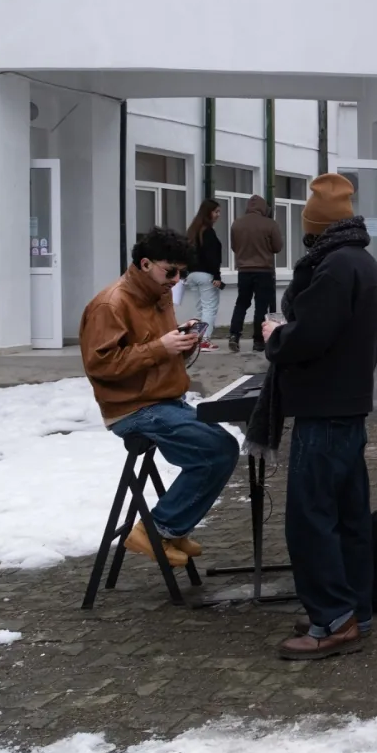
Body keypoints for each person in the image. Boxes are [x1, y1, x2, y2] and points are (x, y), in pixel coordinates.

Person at [259, 174, 377, 660]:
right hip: (347, 406)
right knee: (348, 514)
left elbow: (309, 337)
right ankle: (355, 608)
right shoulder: (363, 263)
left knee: (311, 519)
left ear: (315, 225)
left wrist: (277, 332)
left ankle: (333, 620)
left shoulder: (334, 267)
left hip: (324, 408)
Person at [79, 228, 240, 568]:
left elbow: (157, 346)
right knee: (218, 450)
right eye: (171, 272)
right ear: (145, 263)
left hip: (163, 399)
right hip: (132, 408)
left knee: (220, 447)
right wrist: (160, 348)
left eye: (181, 273)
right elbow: (100, 364)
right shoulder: (111, 304)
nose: (176, 279)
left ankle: (171, 529)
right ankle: (156, 529)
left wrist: (182, 342)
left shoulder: (160, 294)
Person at [228, 194, 283, 353]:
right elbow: (277, 247)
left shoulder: (237, 224)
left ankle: (234, 335)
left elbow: (234, 247)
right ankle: (258, 341)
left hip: (244, 271)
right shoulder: (270, 224)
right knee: (261, 306)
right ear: (263, 207)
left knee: (241, 303)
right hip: (264, 270)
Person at [183, 200, 225, 352]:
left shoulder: (193, 231)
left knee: (200, 309)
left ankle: (198, 339)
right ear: (208, 212)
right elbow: (212, 257)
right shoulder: (208, 232)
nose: (218, 215)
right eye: (216, 212)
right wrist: (217, 276)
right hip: (206, 275)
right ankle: (205, 340)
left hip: (192, 275)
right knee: (209, 308)